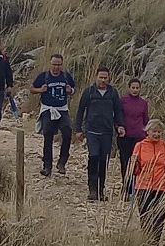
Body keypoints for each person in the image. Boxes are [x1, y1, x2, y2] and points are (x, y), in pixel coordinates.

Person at [75, 67, 125, 201]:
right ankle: (92, 190)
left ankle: (101, 190)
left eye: (105, 78)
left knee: (104, 161)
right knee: (93, 157)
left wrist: (120, 126)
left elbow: (118, 111)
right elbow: (80, 111)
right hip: (92, 131)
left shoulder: (113, 93)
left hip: (107, 132)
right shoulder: (89, 92)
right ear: (96, 77)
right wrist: (78, 129)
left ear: (109, 78)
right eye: (101, 77)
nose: (103, 80)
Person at [31, 54, 76, 176]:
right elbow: (32, 89)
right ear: (50, 64)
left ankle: (62, 162)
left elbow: (73, 89)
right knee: (48, 136)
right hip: (48, 109)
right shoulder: (44, 76)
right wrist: (40, 90)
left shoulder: (66, 76)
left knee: (67, 132)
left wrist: (70, 91)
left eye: (59, 64)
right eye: (54, 64)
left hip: (62, 109)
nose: (56, 67)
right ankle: (47, 166)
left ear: (61, 65)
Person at [131, 119, 165, 242]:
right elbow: (134, 167)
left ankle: (154, 244)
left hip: (161, 187)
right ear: (147, 131)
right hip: (143, 187)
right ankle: (145, 242)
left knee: (159, 218)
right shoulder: (139, 146)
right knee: (145, 217)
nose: (156, 134)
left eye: (159, 132)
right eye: (154, 131)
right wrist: (133, 166)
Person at [118, 79, 150, 200]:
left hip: (139, 137)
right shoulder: (123, 101)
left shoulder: (143, 103)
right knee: (125, 163)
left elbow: (146, 119)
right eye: (133, 87)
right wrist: (119, 127)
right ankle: (126, 188)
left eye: (137, 88)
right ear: (129, 88)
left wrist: (147, 134)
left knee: (137, 164)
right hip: (125, 136)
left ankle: (136, 188)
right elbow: (118, 116)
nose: (135, 90)